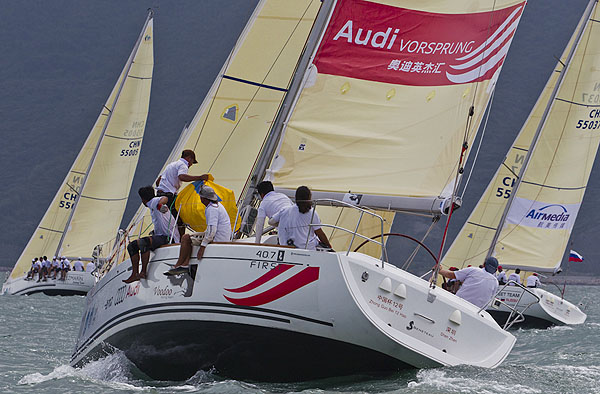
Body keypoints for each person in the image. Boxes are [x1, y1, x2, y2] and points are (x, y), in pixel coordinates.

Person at [167, 185, 232, 274]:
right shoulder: (217, 205)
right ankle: (184, 264)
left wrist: (203, 246)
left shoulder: (211, 209)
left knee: (185, 238)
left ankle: (179, 265)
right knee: (189, 238)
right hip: (222, 237)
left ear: (204, 198)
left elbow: (212, 230)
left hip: (217, 239)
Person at [123, 186, 179, 283]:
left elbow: (164, 198)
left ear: (143, 199)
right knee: (131, 246)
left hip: (170, 237)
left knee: (143, 243)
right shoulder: (152, 205)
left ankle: (143, 272)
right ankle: (134, 274)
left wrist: (160, 204)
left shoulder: (153, 202)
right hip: (161, 236)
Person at [155, 149, 209, 238]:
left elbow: (158, 181)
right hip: (169, 196)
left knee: (165, 219)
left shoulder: (170, 165)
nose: (191, 165)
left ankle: (167, 237)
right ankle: (181, 241)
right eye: (192, 162)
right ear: (189, 158)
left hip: (160, 196)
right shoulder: (183, 165)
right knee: (180, 219)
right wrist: (200, 177)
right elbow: (182, 176)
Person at [268, 186, 332, 250]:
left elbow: (270, 222)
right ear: (309, 197)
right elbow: (320, 234)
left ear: (296, 197)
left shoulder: (285, 210)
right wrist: (329, 247)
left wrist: (281, 224)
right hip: (307, 248)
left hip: (287, 248)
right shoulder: (312, 213)